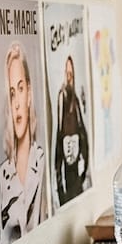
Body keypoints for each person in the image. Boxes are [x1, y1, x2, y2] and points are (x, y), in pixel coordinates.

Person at [0, 41, 47, 244]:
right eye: (11, 93)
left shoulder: (42, 162)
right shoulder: (3, 175)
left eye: (21, 89)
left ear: (29, 94)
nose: (16, 103)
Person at [53, 55, 90, 205]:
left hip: (76, 165)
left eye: (71, 75)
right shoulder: (62, 98)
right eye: (66, 74)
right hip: (66, 167)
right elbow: (58, 135)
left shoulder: (75, 101)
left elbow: (83, 132)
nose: (69, 78)